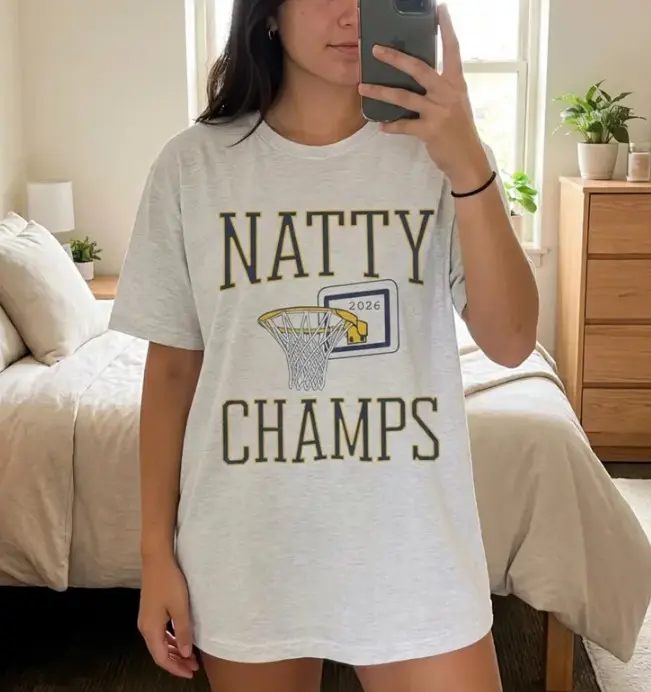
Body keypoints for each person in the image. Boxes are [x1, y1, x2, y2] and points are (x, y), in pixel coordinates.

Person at [109, 0, 539, 689]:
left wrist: (467, 166)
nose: (351, 13)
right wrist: (156, 553)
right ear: (267, 15)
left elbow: (512, 342)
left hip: (414, 546)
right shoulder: (193, 166)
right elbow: (170, 374)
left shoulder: (442, 156)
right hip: (249, 546)